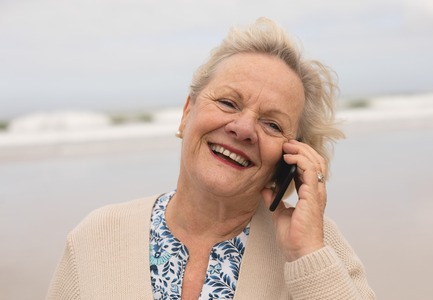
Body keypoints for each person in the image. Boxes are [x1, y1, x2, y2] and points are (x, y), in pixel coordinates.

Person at [47, 17, 376, 299]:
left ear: (289, 159)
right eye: (229, 103)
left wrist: (306, 255)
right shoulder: (94, 237)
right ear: (186, 113)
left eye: (272, 124)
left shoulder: (318, 243)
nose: (244, 128)